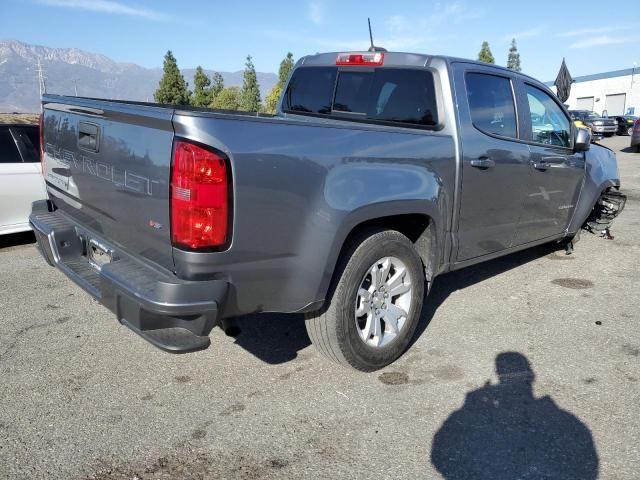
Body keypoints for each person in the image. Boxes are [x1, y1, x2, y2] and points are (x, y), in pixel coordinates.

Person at [431, 352, 598, 480]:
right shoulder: (566, 421)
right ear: (531, 376)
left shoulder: (563, 421)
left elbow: (439, 455)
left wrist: (468, 407)